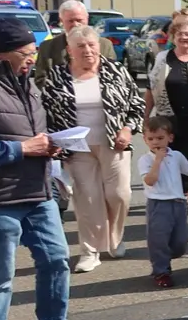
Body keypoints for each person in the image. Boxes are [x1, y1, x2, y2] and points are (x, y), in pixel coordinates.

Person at [0, 20, 98, 320]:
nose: (32, 59)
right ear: (1, 54)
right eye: (25, 53)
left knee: (56, 261)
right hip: (2, 198)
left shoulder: (29, 84)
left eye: (33, 53)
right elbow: (21, 143)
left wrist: (50, 145)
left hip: (38, 192)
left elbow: (33, 133)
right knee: (1, 277)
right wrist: (21, 149)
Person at [40, 26, 143, 273]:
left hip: (114, 144)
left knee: (119, 195)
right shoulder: (57, 75)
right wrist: (54, 143)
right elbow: (45, 111)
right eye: (81, 46)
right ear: (70, 50)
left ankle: (114, 239)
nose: (87, 50)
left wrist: (127, 129)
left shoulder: (115, 70)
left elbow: (136, 105)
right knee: (87, 199)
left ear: (99, 46)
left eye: (91, 45)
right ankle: (90, 251)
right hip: (77, 149)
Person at [145, 14, 188, 216]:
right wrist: (146, 117)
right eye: (179, 34)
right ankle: (175, 194)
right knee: (172, 157)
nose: (184, 37)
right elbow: (151, 88)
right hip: (169, 118)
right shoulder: (162, 58)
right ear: (172, 37)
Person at [140, 116, 188, 287]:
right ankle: (161, 271)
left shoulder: (176, 156)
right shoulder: (146, 160)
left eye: (160, 138)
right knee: (158, 239)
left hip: (178, 203)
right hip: (158, 204)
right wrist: (157, 161)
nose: (156, 142)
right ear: (145, 140)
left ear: (170, 138)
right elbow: (150, 181)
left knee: (180, 241)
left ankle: (167, 255)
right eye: (151, 139)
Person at [35, 0, 115, 80]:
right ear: (61, 21)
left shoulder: (105, 45)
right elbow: (41, 78)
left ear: (87, 19)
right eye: (70, 21)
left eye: (79, 20)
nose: (75, 24)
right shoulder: (47, 47)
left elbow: (113, 75)